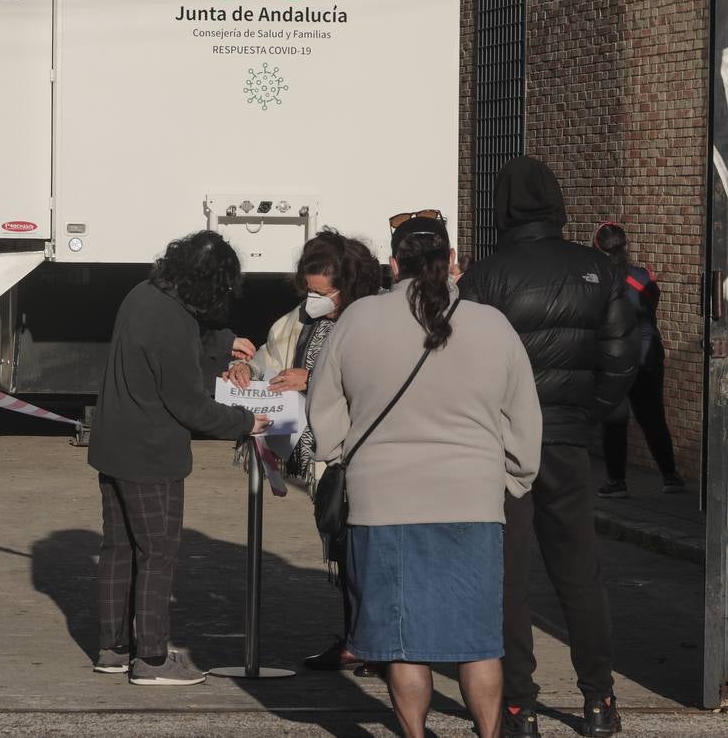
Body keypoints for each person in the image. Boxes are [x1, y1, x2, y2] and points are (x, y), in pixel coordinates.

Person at [309, 213, 542, 738]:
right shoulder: (492, 324)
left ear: (394, 263)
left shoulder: (358, 320)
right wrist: (514, 478)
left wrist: (343, 451)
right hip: (473, 501)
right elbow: (524, 417)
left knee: (400, 640)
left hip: (383, 501)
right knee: (478, 640)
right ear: (451, 261)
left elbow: (323, 409)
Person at [457, 157, 638, 738]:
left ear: (502, 206)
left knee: (508, 577)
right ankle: (598, 700)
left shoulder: (485, 278)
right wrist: (592, 414)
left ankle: (519, 704)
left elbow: (464, 363)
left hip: (504, 443)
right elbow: (621, 354)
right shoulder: (600, 270)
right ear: (558, 203)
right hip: (567, 439)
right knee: (580, 572)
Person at [90, 230, 268, 687]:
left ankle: (113, 649)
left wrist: (225, 341)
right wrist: (244, 422)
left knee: (119, 549)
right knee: (158, 552)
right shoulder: (172, 320)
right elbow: (188, 403)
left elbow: (185, 348)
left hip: (112, 443)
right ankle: (150, 658)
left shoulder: (143, 294)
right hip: (151, 453)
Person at [225, 229, 382, 674]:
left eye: (323, 291)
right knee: (343, 544)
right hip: (324, 458)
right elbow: (272, 355)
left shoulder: (372, 319)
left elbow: (375, 378)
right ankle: (357, 639)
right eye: (309, 290)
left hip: (365, 451)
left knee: (370, 549)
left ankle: (379, 643)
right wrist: (245, 367)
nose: (313, 299)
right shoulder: (303, 318)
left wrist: (310, 381)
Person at [592, 222, 686, 497]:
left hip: (614, 356)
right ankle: (671, 477)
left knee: (615, 419)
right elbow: (651, 305)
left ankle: (617, 482)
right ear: (626, 246)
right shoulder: (643, 276)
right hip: (648, 352)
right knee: (653, 417)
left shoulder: (597, 279)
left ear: (597, 248)